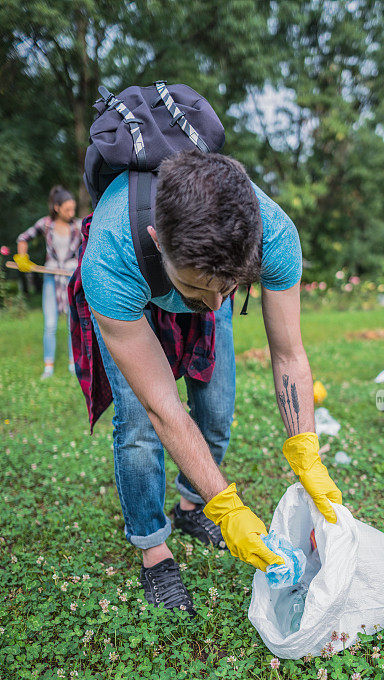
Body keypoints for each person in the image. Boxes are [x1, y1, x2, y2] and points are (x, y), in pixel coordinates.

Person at [75, 150, 342, 614]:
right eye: (203, 288)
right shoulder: (109, 256)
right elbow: (165, 408)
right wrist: (229, 506)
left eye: (230, 286)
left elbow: (289, 353)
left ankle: (191, 508)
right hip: (135, 292)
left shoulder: (274, 236)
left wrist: (305, 449)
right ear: (158, 241)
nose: (218, 301)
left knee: (217, 411)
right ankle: (154, 550)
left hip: (194, 271)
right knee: (138, 425)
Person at [15, 186, 81, 379]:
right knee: (50, 324)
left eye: (73, 209)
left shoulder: (78, 226)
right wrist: (22, 257)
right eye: (68, 209)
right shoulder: (45, 224)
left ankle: (72, 364)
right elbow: (23, 238)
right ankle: (48, 367)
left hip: (71, 278)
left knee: (72, 323)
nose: (72, 213)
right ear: (57, 208)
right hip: (51, 278)